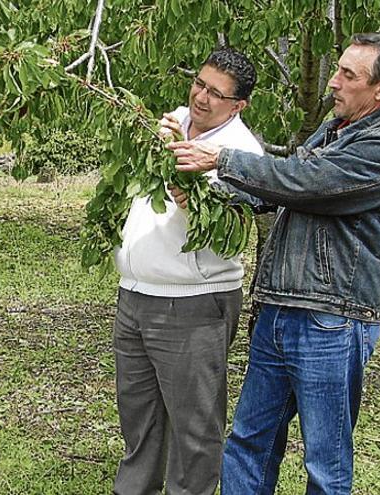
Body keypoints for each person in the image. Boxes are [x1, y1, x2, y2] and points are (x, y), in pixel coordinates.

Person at [167, 33, 380, 494]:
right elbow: (281, 191)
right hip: (280, 309)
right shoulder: (335, 129)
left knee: (324, 461)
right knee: (248, 443)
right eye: (337, 70)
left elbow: (306, 182)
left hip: (331, 320)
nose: (334, 84)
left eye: (348, 75)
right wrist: (211, 195)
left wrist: (221, 159)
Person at [112, 47, 263, 495]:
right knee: (138, 416)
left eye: (216, 94)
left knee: (194, 427)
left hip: (192, 301)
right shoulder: (173, 120)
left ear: (238, 106)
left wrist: (193, 191)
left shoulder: (240, 153)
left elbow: (230, 231)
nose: (201, 97)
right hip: (136, 293)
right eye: (199, 83)